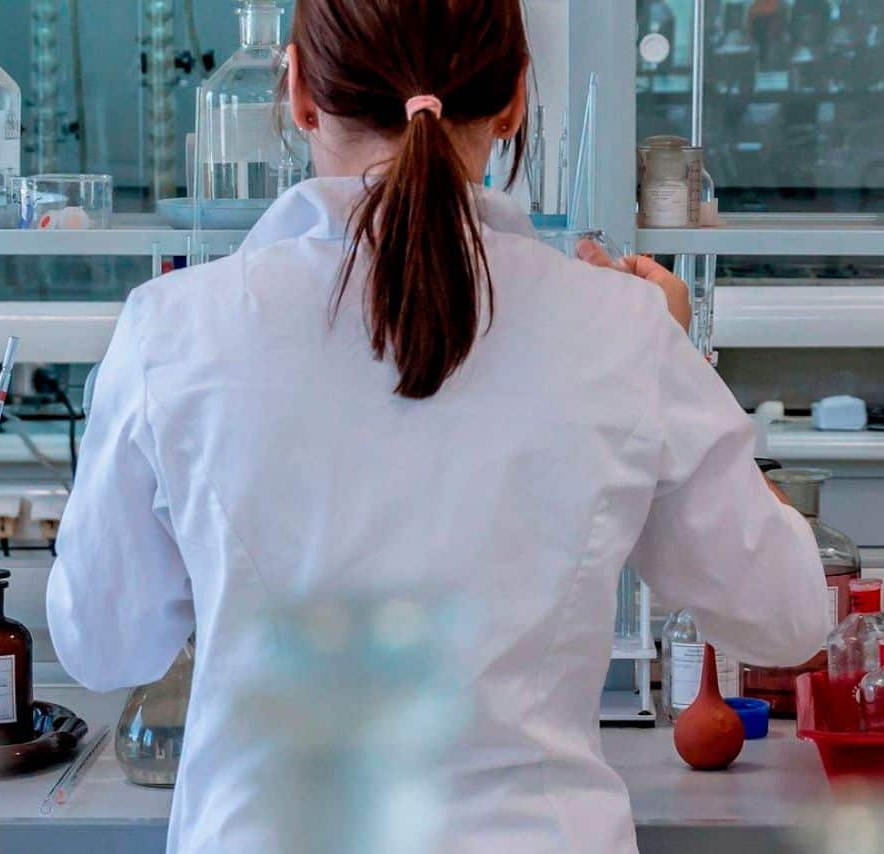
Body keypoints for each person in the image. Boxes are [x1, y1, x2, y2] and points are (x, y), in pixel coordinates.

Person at [44, 1, 828, 851]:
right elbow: (785, 619)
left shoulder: (172, 331)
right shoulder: (623, 330)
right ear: (516, 101)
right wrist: (682, 360)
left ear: (300, 90)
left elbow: (103, 647)